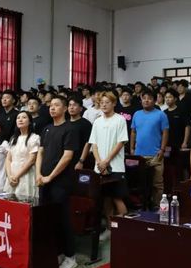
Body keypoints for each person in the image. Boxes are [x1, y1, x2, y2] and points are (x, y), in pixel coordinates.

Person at [36, 97, 80, 268]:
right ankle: (58, 252)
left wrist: (50, 176)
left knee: (63, 218)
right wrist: (39, 174)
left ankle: (71, 257)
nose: (52, 108)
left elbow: (67, 156)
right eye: (51, 106)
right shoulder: (46, 129)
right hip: (44, 180)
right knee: (48, 218)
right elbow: (40, 152)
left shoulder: (70, 129)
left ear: (65, 109)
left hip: (61, 182)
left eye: (56, 105)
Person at [88, 91, 129, 241]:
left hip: (115, 166)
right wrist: (99, 162)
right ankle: (110, 229)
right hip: (99, 167)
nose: (104, 105)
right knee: (105, 199)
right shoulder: (97, 121)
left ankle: (124, 230)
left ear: (114, 103)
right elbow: (94, 144)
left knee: (117, 198)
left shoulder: (120, 120)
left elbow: (121, 142)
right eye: (101, 103)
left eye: (107, 102)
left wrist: (107, 161)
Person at [131, 90, 169, 207]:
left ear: (154, 100)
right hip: (139, 155)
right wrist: (131, 148)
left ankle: (158, 206)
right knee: (140, 183)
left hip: (155, 155)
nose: (146, 100)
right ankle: (142, 206)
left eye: (149, 98)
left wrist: (162, 149)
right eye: (144, 98)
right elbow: (133, 132)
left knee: (157, 183)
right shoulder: (136, 114)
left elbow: (165, 133)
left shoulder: (161, 115)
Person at [5, 111, 40, 198]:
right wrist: (9, 176)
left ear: (30, 122)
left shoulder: (34, 138)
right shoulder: (13, 139)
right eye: (18, 118)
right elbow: (8, 159)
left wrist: (17, 176)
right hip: (12, 175)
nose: (20, 120)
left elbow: (32, 160)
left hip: (26, 175)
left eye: (24, 117)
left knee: (24, 201)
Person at [69, 97, 93, 170]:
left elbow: (88, 143)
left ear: (81, 109)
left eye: (74, 105)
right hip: (66, 159)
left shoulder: (86, 124)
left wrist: (81, 161)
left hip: (79, 160)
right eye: (70, 105)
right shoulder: (65, 123)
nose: (71, 107)